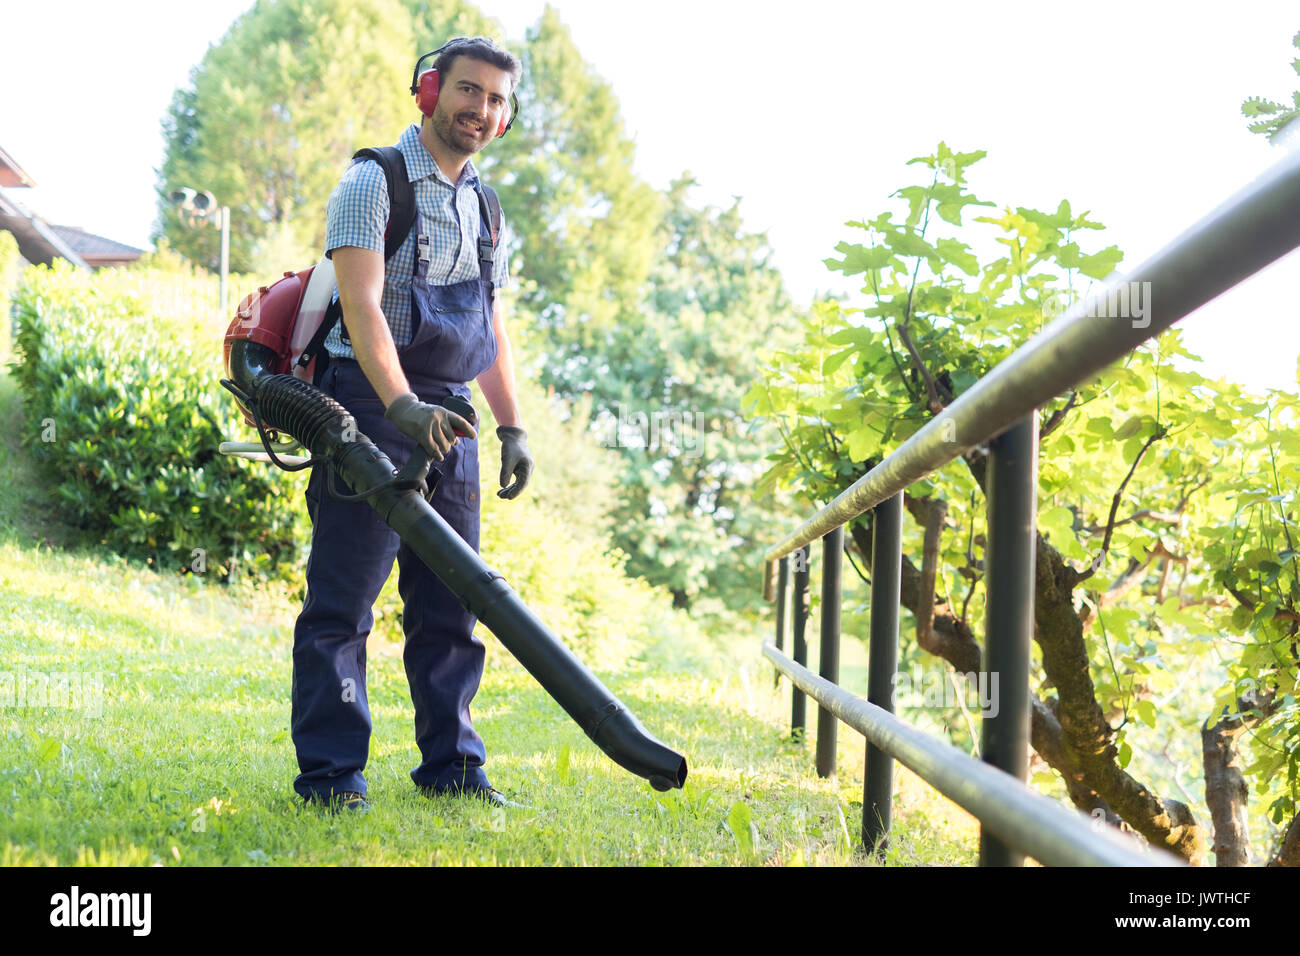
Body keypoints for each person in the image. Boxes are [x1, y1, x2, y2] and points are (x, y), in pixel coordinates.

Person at [291, 36, 533, 812]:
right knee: (344, 601)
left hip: (450, 413)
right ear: (430, 92)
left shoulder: (487, 208)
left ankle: (454, 768)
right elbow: (361, 307)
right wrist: (398, 406)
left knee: (452, 602)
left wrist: (511, 426)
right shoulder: (373, 182)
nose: (480, 109)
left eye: (495, 99)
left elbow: (490, 325)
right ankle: (333, 777)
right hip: (367, 402)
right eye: (467, 90)